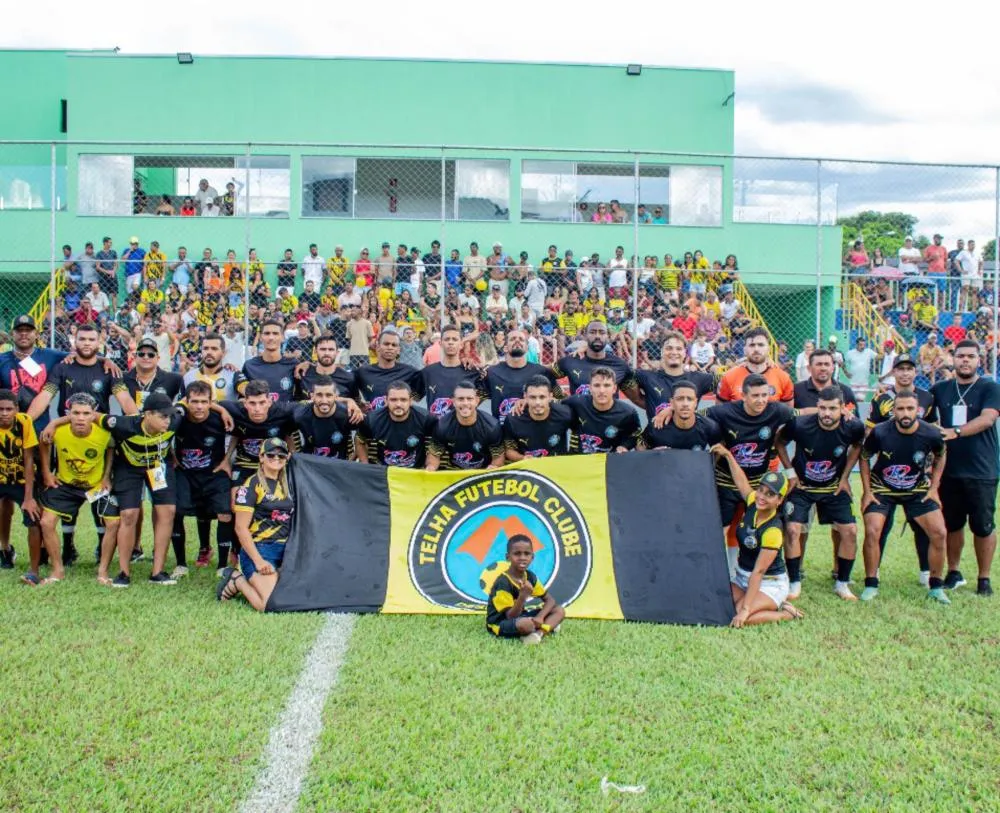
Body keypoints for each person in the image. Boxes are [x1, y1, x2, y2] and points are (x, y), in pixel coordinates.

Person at [859, 390, 949, 603]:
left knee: (939, 532)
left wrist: (934, 487)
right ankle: (871, 583)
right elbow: (864, 457)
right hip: (883, 489)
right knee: (872, 530)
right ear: (894, 411)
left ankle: (936, 587)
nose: (905, 413)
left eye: (910, 408)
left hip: (916, 489)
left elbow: (941, 455)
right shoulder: (880, 432)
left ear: (918, 410)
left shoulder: (931, 433)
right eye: (900, 409)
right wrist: (867, 491)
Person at [777, 387, 864, 601]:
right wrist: (790, 474)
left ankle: (842, 584)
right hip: (803, 488)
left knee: (850, 530)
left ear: (843, 408)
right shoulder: (800, 425)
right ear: (817, 406)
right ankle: (794, 582)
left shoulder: (853, 426)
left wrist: (844, 477)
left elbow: (858, 446)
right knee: (793, 529)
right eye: (823, 408)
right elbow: (779, 442)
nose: (827, 413)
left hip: (833, 487)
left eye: (833, 408)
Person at [704, 374, 796, 573]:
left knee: (761, 527)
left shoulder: (777, 411)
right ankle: (717, 573)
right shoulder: (723, 412)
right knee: (721, 529)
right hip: (725, 481)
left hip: (757, 485)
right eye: (755, 395)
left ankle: (767, 572)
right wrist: (669, 410)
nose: (761, 400)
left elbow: (803, 413)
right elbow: (695, 414)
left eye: (765, 395)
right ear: (743, 396)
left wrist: (841, 411)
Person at [931, 340, 1000, 596]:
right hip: (950, 469)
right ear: (953, 359)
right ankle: (954, 571)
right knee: (953, 524)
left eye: (971, 356)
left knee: (983, 525)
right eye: (961, 356)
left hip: (982, 469)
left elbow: (988, 418)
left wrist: (955, 431)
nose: (965, 361)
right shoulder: (941, 389)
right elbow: (922, 409)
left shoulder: (989, 387)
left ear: (979, 360)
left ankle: (984, 578)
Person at [32, 393, 119, 586]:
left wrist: (106, 477)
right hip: (66, 485)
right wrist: (47, 473)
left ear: (93, 415)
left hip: (95, 486)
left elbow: (111, 449)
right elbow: (43, 444)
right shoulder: (58, 430)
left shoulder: (104, 432)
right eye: (76, 413)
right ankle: (57, 571)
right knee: (46, 522)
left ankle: (103, 572)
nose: (80, 417)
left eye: (86, 413)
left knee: (113, 523)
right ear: (68, 414)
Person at [710, 453, 803, 626]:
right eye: (761, 489)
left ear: (779, 500)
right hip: (742, 578)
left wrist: (745, 610)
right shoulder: (753, 502)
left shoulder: (773, 530)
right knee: (716, 600)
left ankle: (786, 614)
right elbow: (741, 481)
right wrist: (727, 455)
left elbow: (759, 572)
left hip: (769, 583)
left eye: (770, 494)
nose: (761, 496)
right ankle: (761, 604)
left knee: (738, 615)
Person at [216, 438, 294, 612]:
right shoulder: (251, 485)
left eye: (281, 455)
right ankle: (237, 580)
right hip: (261, 549)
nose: (276, 458)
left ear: (287, 458)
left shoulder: (291, 483)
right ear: (261, 457)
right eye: (271, 454)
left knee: (295, 597)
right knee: (269, 605)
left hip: (288, 550)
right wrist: (258, 561)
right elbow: (240, 528)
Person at [173, 381, 234, 573]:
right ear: (186, 401)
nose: (199, 406)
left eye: (204, 402)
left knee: (225, 514)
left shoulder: (220, 418)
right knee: (176, 512)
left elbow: (241, 433)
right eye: (194, 402)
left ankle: (223, 565)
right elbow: (160, 432)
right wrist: (172, 458)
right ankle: (181, 564)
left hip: (214, 473)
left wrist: (226, 459)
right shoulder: (178, 418)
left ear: (211, 402)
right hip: (186, 473)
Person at [485, 534, 565, 643]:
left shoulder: (530, 576)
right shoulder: (503, 582)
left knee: (558, 610)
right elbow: (510, 616)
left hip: (521, 616)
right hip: (500, 622)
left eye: (527, 554)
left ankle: (538, 634)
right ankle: (546, 627)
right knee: (525, 624)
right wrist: (522, 596)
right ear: (508, 557)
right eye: (517, 554)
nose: (522, 557)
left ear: (532, 557)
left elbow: (550, 600)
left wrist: (540, 617)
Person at [481, 329, 561, 423]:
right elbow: (473, 400)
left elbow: (560, 398)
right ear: (505, 348)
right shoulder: (491, 372)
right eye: (513, 339)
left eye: (521, 339)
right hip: (502, 431)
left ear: (527, 348)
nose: (517, 341)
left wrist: (533, 401)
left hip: (532, 430)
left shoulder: (542, 371)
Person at [0, 389, 41, 570]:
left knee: (33, 517)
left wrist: (29, 497)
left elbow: (29, 459)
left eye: (9, 409)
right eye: (0, 409)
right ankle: (5, 550)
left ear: (17, 409)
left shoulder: (24, 422)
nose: (4, 413)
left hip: (21, 479)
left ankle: (34, 569)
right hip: (1, 478)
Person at [633, 332, 715, 422]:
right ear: (662, 352)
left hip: (689, 433)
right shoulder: (647, 377)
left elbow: (728, 382)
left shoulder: (699, 378)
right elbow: (620, 375)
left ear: (685, 353)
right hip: (656, 434)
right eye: (669, 348)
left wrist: (699, 414)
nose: (674, 352)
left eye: (679, 349)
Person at [426, 382, 504, 470]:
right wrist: (431, 467)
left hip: (482, 472)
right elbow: (434, 454)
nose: (465, 403)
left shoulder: (492, 426)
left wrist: (494, 467)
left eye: (469, 399)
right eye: (460, 399)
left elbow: (498, 457)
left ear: (477, 401)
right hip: (454, 471)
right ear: (453, 402)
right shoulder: (442, 425)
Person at [354, 381, 434, 468]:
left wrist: (430, 466)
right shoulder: (372, 419)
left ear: (410, 401)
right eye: (393, 400)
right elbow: (359, 440)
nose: (398, 404)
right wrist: (365, 465)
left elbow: (437, 443)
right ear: (386, 401)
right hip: (383, 472)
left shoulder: (426, 419)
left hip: (415, 472)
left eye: (403, 400)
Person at [564, 368, 641, 454]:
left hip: (608, 462)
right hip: (578, 460)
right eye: (597, 385)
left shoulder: (628, 413)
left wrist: (625, 446)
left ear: (614, 388)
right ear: (590, 388)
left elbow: (635, 434)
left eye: (607, 385)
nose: (601, 391)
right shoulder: (575, 402)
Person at [553, 320, 638, 397]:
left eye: (602, 332)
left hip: (610, 414)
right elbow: (544, 372)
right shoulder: (570, 361)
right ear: (585, 335)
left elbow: (637, 399)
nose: (597, 336)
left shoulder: (620, 365)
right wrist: (560, 396)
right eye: (593, 332)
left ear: (607, 336)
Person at [502, 375, 574, 460]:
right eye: (532, 397)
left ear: (551, 396)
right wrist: (523, 458)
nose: (538, 402)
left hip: (556, 467)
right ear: (525, 397)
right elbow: (509, 450)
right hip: (529, 468)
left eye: (542, 397)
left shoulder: (565, 414)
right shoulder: (513, 420)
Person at [353, 330, 425, 412]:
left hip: (399, 420)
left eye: (394, 345)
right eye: (386, 344)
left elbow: (418, 395)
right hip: (373, 420)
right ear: (378, 347)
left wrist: (410, 400)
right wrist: (358, 402)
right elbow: (347, 387)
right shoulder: (363, 372)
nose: (390, 347)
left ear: (398, 350)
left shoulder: (410, 372)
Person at [716, 328, 794, 404]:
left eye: (761, 345)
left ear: (768, 349)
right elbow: (719, 412)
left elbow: (788, 414)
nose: (756, 349)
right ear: (744, 350)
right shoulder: (729, 377)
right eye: (752, 345)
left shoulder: (783, 378)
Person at [638, 380, 721, 451]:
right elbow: (639, 447)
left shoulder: (709, 427)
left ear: (695, 403)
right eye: (680, 399)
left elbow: (719, 452)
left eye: (690, 399)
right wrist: (651, 454)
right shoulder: (657, 426)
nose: (685, 404)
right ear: (672, 403)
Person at [236, 319, 302, 404]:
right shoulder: (249, 366)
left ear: (282, 337)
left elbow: (301, 395)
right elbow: (243, 397)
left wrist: (308, 364)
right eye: (267, 333)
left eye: (275, 333)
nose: (271, 337)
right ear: (260, 337)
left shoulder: (293, 364)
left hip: (285, 415)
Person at [294, 376, 356, 459]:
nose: (324, 400)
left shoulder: (348, 414)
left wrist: (355, 459)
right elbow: (288, 430)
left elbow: (364, 434)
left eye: (329, 395)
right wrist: (295, 456)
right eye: (319, 395)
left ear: (336, 397)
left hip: (340, 465)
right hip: (310, 465)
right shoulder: (301, 414)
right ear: (312, 396)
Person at [422, 326, 473, 417]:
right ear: (440, 343)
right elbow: (414, 396)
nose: (450, 342)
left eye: (454, 339)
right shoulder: (427, 372)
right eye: (447, 339)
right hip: (436, 427)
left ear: (461, 344)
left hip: (463, 427)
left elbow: (480, 398)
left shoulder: (471, 371)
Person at [123, 338, 184, 409]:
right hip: (131, 419)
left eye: (151, 355)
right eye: (141, 354)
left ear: (158, 358)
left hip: (161, 419)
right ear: (135, 357)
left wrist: (176, 410)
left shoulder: (173, 379)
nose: (146, 357)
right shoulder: (123, 378)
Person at [183, 332, 237, 402]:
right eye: (205, 348)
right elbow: (182, 404)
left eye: (214, 349)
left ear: (223, 353)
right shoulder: (188, 377)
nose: (209, 352)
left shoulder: (233, 375)